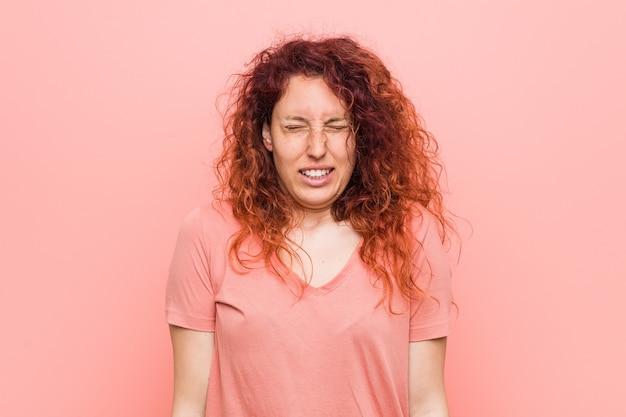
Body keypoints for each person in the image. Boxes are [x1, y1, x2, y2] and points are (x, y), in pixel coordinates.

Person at [166, 35, 455, 417]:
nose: (317, 147)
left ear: (361, 134)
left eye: (336, 126)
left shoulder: (411, 234)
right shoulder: (207, 234)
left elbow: (427, 403)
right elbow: (189, 406)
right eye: (295, 126)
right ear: (267, 134)